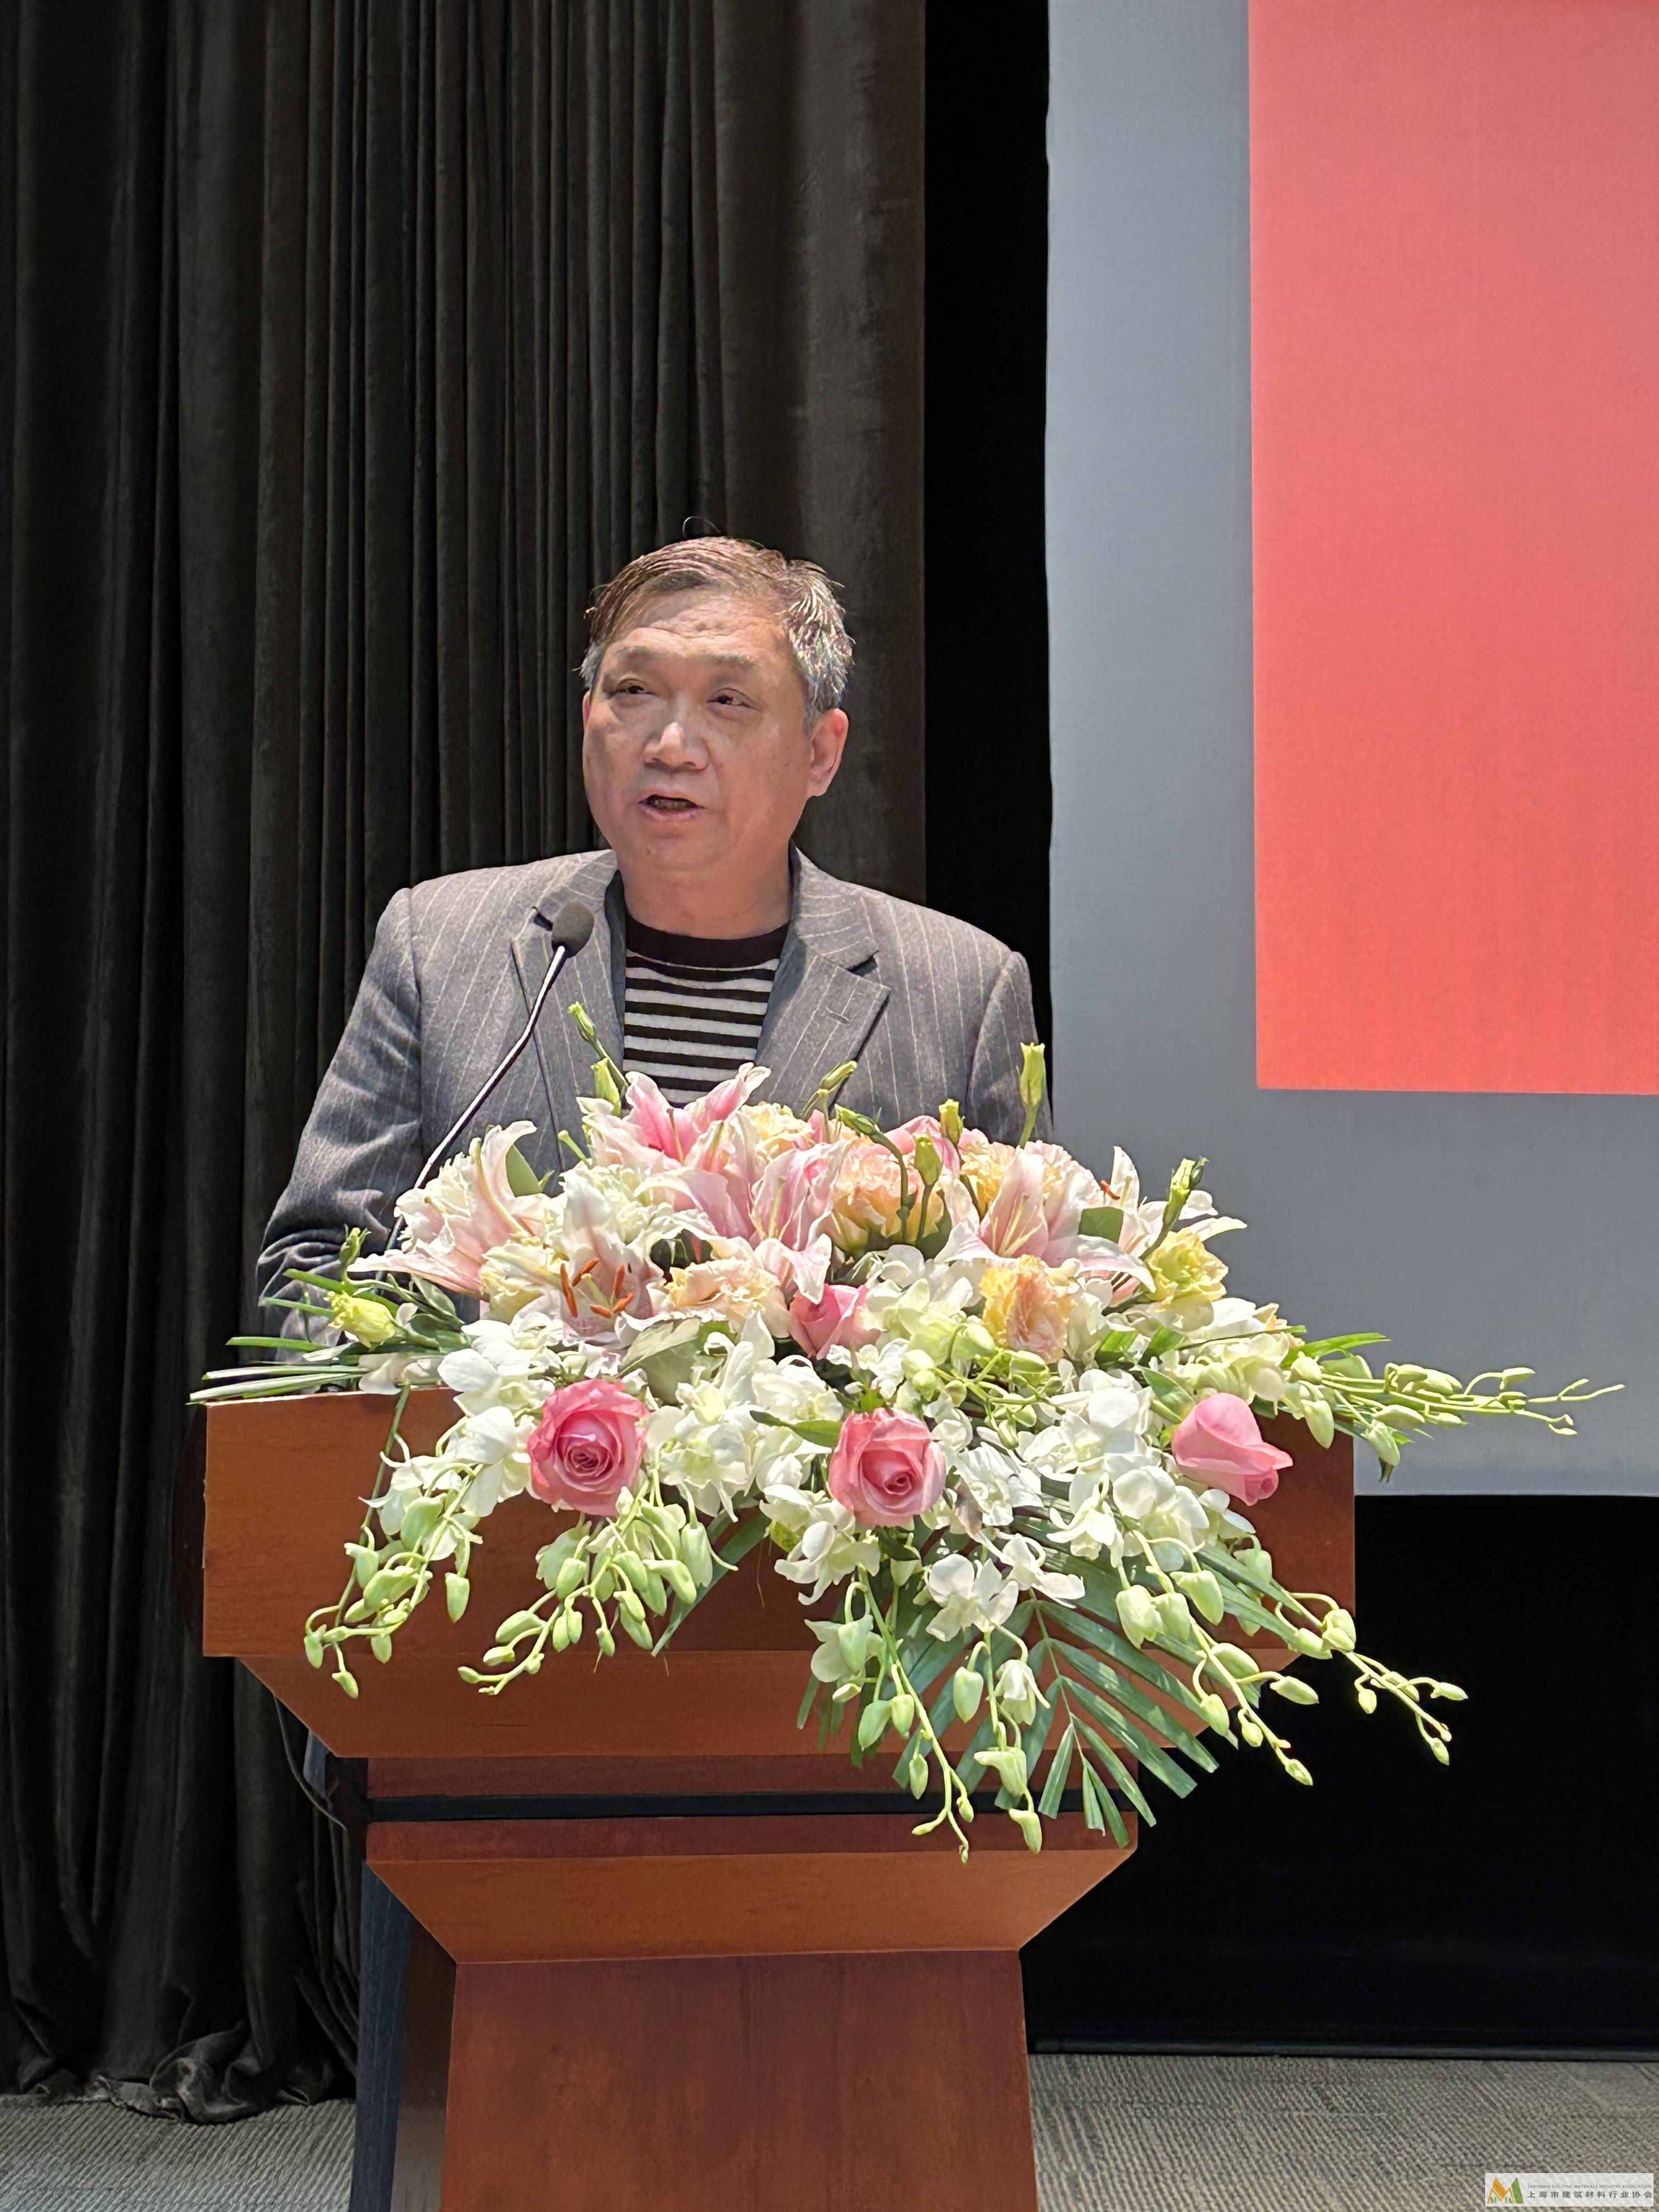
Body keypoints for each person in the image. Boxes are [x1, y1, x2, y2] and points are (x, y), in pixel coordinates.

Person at [257, 535, 1046, 2212]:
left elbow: (1007, 1330)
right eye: (632, 693)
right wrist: (456, 1372)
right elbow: (310, 1268)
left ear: (820, 750)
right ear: (589, 720)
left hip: (830, 1669)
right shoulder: (453, 948)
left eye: (725, 702)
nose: (667, 740)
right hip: (500, 1665)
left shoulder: (952, 988)